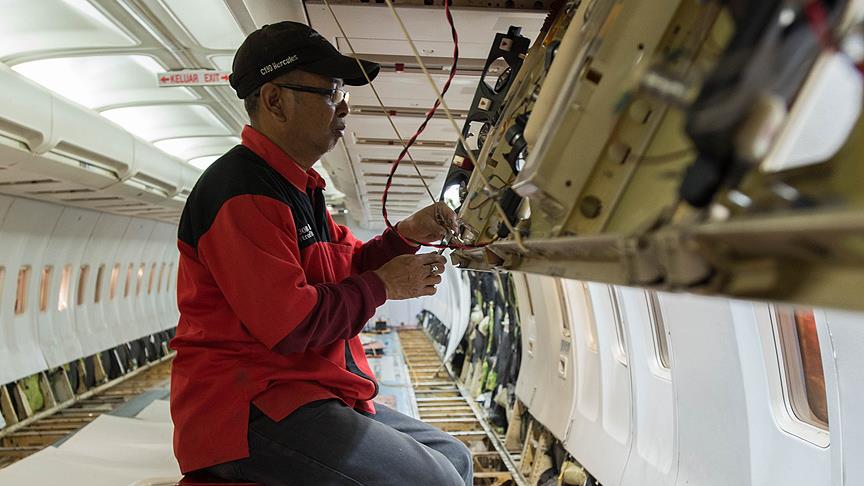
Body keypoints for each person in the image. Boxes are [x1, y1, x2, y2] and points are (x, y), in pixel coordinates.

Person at [169, 21, 473, 486]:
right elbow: (291, 325)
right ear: (274, 100)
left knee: (455, 457)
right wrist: (385, 285)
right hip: (248, 407)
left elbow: (347, 267)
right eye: (331, 92)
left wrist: (406, 235)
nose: (344, 105)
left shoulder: (300, 187)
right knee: (435, 481)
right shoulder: (241, 192)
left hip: (305, 392)